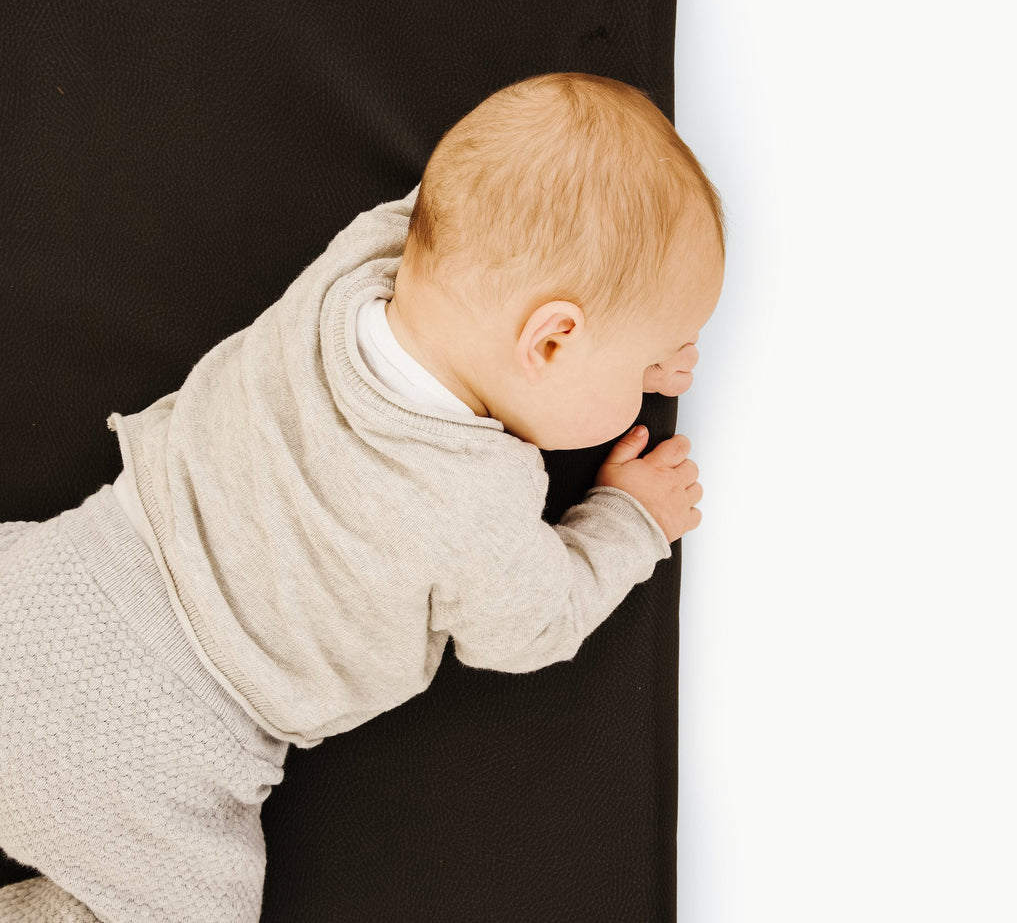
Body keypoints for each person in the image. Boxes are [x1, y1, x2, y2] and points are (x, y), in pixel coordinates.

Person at [0, 72, 725, 921]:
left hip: (52, 588)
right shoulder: (476, 506)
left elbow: (483, 211)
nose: (655, 384)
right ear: (553, 342)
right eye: (643, 368)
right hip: (165, 746)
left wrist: (632, 333)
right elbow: (535, 625)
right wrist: (630, 518)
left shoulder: (358, 263)